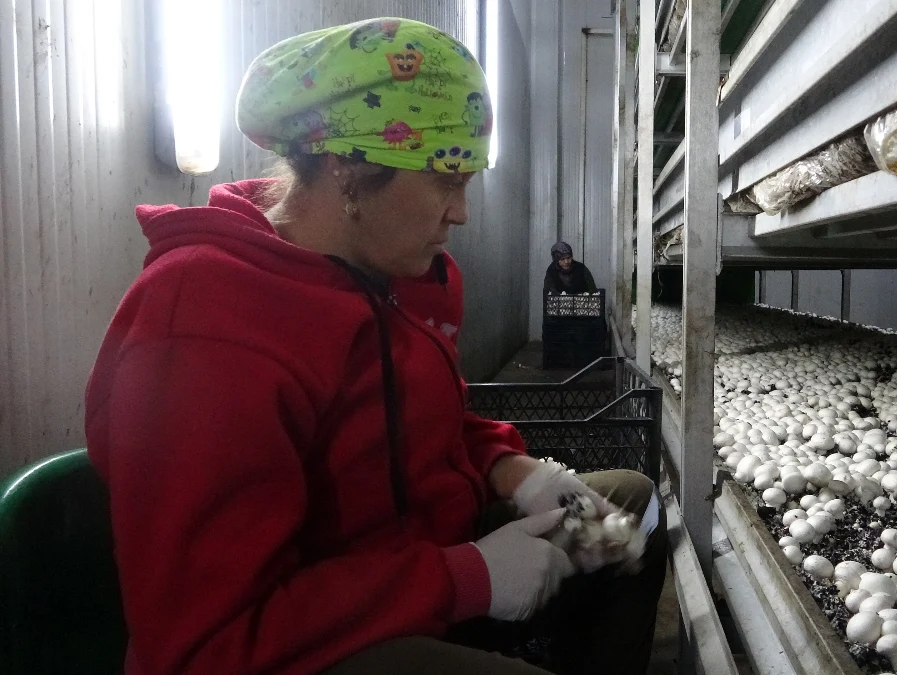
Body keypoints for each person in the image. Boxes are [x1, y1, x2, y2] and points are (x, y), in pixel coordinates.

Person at [85, 18, 665, 675]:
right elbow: (205, 643)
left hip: (401, 559)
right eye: (448, 179)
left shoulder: (384, 279)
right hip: (289, 641)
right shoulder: (205, 324)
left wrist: (513, 470)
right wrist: (463, 578)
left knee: (630, 502)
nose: (462, 212)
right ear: (348, 170)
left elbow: (425, 422)